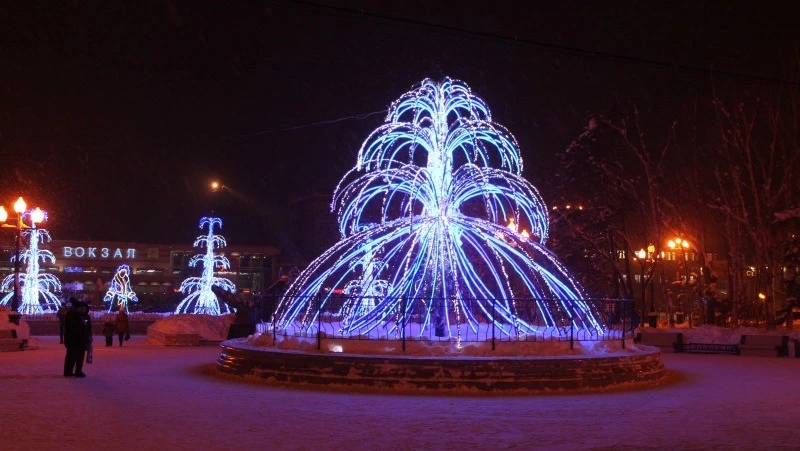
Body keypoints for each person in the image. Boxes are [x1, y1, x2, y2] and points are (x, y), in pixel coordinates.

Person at [63, 298, 90, 377]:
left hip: (79, 339)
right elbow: (74, 327)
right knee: (72, 356)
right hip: (74, 339)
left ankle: (75, 371)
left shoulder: (83, 316)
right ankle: (70, 371)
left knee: (78, 356)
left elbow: (87, 328)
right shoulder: (73, 315)